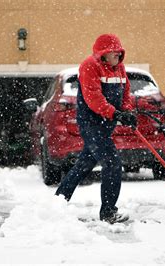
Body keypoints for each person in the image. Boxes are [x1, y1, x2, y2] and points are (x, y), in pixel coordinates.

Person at [55, 34, 137, 224]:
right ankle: (108, 212)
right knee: (112, 163)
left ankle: (57, 202)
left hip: (106, 124)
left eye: (119, 51)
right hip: (91, 124)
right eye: (113, 51)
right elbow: (93, 98)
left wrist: (128, 112)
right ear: (103, 53)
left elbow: (125, 93)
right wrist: (115, 114)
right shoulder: (89, 66)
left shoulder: (119, 68)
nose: (118, 54)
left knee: (83, 165)